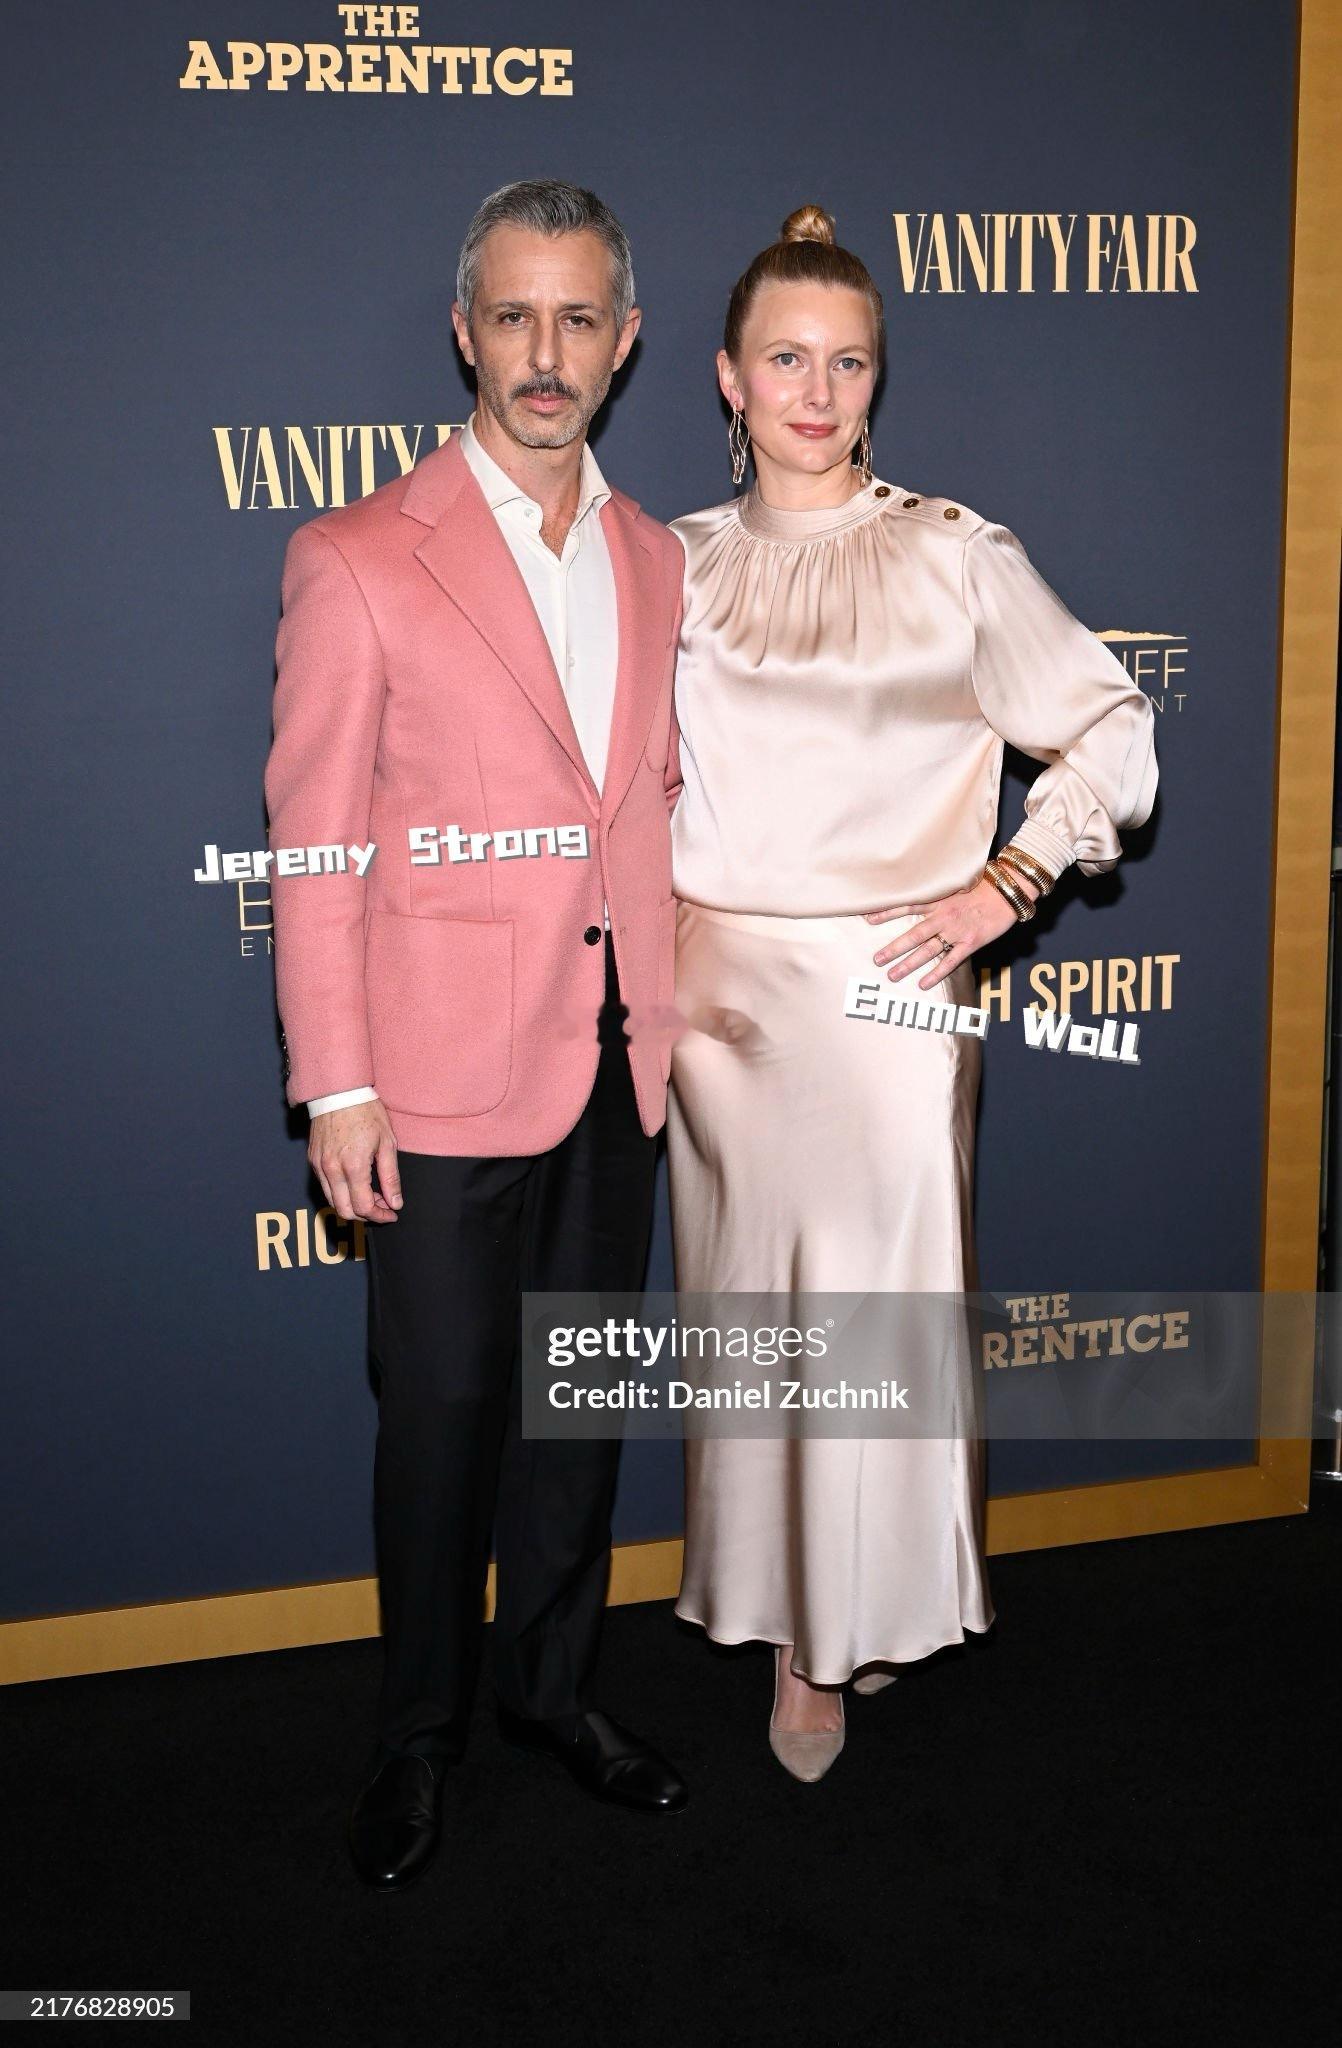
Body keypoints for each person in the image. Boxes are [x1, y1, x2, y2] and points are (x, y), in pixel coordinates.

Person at [664, 204, 1158, 1781]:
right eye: (784, 360)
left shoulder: (954, 553)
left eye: (847, 362)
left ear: (878, 378)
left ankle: (847, 1623)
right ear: (727, 377)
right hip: (721, 1008)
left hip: (890, 998)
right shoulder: (668, 566)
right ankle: (794, 1623)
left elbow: (1110, 729)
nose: (815, 392)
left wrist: (1005, 884)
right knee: (755, 1321)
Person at [264, 179, 689, 1889]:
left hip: (615, 1062)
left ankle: (551, 1693)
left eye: (578, 318)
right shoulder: (358, 556)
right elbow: (313, 842)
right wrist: (336, 1081)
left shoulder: (656, 555)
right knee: (439, 1421)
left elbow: (651, 809)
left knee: (573, 1418)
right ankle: (417, 1737)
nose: (544, 352)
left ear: (625, 342)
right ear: (464, 332)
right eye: (513, 315)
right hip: (435, 1081)